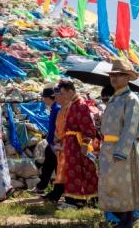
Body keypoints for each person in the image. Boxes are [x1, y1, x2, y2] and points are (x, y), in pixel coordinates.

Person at [98, 58, 139, 228]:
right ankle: (121, 218)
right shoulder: (114, 99)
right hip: (108, 149)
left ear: (128, 78)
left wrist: (121, 151)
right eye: (113, 75)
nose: (114, 78)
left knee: (124, 185)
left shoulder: (131, 99)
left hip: (123, 150)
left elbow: (130, 128)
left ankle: (127, 220)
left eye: (119, 75)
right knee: (112, 185)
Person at [57, 79, 99, 208]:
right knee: (74, 171)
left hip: (78, 144)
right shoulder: (72, 104)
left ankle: (75, 201)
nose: (62, 96)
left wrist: (85, 144)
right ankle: (79, 199)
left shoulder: (81, 105)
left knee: (81, 171)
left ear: (70, 91)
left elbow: (88, 127)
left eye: (63, 93)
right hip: (71, 143)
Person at [45, 79, 72, 204]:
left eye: (59, 94)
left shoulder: (66, 109)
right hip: (58, 144)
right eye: (56, 94)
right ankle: (56, 193)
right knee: (58, 169)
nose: (57, 96)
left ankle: (62, 195)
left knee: (61, 170)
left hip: (66, 145)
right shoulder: (60, 109)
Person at [32, 87, 60, 194]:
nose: (43, 100)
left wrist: (54, 141)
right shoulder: (54, 108)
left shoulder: (57, 109)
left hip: (55, 142)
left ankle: (57, 189)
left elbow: (58, 127)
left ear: (49, 98)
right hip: (52, 142)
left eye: (44, 97)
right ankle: (42, 187)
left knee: (54, 166)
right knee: (49, 165)